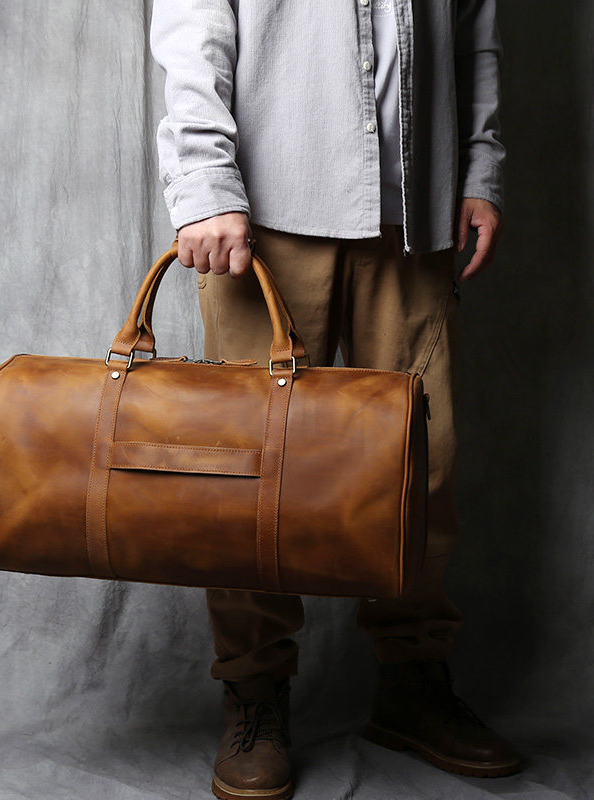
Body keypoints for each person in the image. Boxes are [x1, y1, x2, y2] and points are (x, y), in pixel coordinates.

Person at [149, 1, 521, 798]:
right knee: (251, 475)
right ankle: (253, 690)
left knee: (421, 466)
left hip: (416, 209)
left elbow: (474, 33)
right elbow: (193, 30)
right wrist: (205, 183)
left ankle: (413, 681)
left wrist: (478, 169)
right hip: (268, 211)